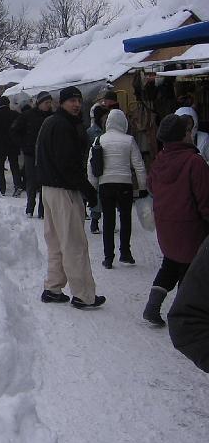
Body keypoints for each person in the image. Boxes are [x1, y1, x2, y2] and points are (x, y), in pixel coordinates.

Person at [36, 86, 105, 308]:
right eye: (72, 100)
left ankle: (53, 287)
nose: (76, 104)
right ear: (61, 102)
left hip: (49, 190)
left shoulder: (50, 122)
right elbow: (68, 165)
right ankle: (84, 295)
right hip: (65, 190)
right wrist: (87, 189)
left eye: (78, 100)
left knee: (56, 241)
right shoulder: (63, 126)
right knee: (74, 243)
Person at [143, 114, 209, 326]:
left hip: (167, 228)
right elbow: (205, 199)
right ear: (182, 136)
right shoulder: (194, 162)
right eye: (188, 131)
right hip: (192, 230)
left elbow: (151, 187)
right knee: (190, 274)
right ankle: (184, 319)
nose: (191, 134)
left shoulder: (160, 160)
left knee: (170, 264)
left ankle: (152, 307)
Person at [87, 109, 147, 269]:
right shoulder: (129, 140)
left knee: (108, 220)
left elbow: (91, 165)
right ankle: (125, 253)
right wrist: (142, 187)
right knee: (125, 218)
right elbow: (139, 165)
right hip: (125, 185)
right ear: (123, 123)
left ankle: (108, 258)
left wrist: (92, 188)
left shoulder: (99, 140)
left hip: (105, 185)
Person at [168, 235, 209, 372]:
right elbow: (186, 321)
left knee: (169, 267)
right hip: (186, 239)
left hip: (177, 240)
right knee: (171, 268)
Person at [11, 90, 53, 217]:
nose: (48, 105)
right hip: (30, 153)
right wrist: (24, 144)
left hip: (46, 154)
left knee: (44, 182)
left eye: (50, 103)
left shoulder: (51, 117)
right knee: (31, 181)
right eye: (46, 102)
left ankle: (42, 210)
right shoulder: (28, 115)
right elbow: (14, 131)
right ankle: (30, 207)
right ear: (39, 103)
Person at [0, 96, 22, 196]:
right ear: (8, 104)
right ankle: (17, 186)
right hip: (13, 144)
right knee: (14, 166)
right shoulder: (15, 115)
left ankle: (1, 188)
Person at [86, 104, 109, 234]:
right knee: (97, 195)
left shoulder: (108, 130)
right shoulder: (91, 132)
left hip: (107, 165)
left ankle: (107, 221)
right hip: (95, 166)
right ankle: (94, 221)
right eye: (105, 116)